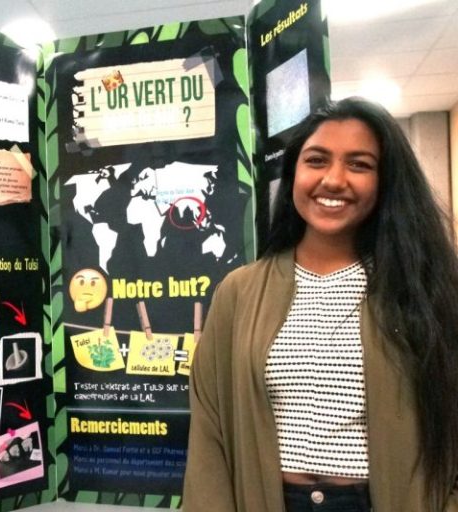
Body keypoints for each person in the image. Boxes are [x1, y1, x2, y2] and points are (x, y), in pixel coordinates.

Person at [183, 97, 458, 511]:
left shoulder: (425, 291)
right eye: (316, 160)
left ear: (385, 180)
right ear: (293, 173)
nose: (333, 179)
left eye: (359, 164)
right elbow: (210, 432)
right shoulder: (239, 292)